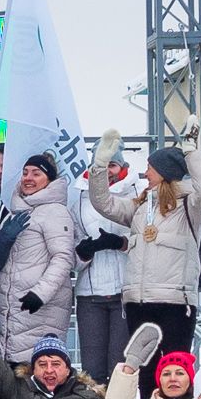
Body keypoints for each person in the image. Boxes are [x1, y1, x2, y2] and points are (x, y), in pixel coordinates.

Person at [85, 130, 201, 389]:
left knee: (176, 371)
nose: (145, 174)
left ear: (165, 172)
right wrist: (99, 166)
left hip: (175, 303)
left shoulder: (191, 207)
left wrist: (192, 153)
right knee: (145, 374)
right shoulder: (142, 207)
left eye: (150, 168)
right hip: (139, 303)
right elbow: (103, 204)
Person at [0, 151, 79, 366]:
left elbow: (63, 257)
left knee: (35, 369)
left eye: (36, 173)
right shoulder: (13, 211)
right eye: (25, 172)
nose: (28, 178)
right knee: (12, 370)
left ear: (49, 180)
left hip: (39, 307)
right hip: (13, 307)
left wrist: (40, 293)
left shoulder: (55, 212)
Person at [68, 156, 134, 383]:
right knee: (91, 372)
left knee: (120, 368)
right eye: (101, 166)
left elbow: (147, 242)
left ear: (123, 168)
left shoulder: (136, 195)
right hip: (90, 293)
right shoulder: (78, 200)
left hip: (125, 293)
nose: (107, 172)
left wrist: (121, 243)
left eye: (112, 165)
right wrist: (84, 253)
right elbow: (71, 254)